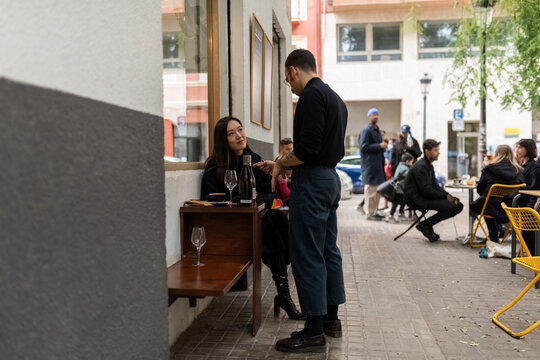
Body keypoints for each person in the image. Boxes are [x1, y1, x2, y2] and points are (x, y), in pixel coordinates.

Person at [255, 49, 346, 353]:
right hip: (330, 180)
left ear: (293, 70)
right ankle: (331, 320)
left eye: (286, 80)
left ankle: (312, 332)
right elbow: (321, 149)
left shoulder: (309, 96)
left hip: (313, 182)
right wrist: (280, 162)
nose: (290, 87)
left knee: (307, 253)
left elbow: (305, 150)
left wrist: (281, 161)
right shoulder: (335, 98)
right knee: (327, 250)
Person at [200, 116, 304, 320]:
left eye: (240, 129)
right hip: (232, 228)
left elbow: (269, 192)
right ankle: (284, 296)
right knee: (271, 224)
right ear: (223, 139)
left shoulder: (255, 159)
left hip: (257, 221)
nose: (239, 136)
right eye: (231, 133)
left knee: (274, 219)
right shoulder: (214, 166)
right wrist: (241, 201)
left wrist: (250, 202)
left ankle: (283, 295)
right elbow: (209, 199)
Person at [404, 139, 464, 242]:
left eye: (438, 150)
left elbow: (435, 186)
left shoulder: (428, 165)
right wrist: (445, 197)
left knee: (458, 205)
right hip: (418, 199)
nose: (438, 152)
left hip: (425, 197)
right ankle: (425, 225)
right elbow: (426, 190)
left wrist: (447, 195)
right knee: (454, 207)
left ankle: (426, 225)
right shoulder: (421, 166)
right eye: (435, 150)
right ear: (427, 152)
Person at [470, 145, 523, 241]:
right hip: (507, 206)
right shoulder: (519, 170)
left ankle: (493, 235)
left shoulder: (489, 169)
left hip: (491, 205)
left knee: (479, 205)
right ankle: (501, 222)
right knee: (487, 204)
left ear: (497, 154)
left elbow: (479, 190)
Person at [359, 108, 387, 221]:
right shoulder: (366, 130)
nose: (375, 116)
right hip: (370, 166)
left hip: (378, 166)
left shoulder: (377, 130)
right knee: (370, 191)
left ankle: (374, 212)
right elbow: (363, 147)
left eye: (376, 114)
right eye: (373, 114)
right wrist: (379, 146)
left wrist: (382, 148)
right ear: (369, 116)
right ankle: (369, 213)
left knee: (377, 191)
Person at [513, 138, 539, 254]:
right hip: (519, 203)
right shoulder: (521, 165)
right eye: (517, 147)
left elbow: (533, 189)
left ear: (527, 149)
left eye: (520, 147)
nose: (517, 150)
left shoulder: (533, 166)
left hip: (529, 204)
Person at [387, 153, 414, 223]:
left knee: (402, 202)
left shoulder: (401, 165)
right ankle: (391, 215)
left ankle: (400, 213)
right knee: (396, 202)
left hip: (401, 189)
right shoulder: (404, 168)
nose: (412, 163)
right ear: (407, 161)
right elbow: (409, 175)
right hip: (399, 189)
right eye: (412, 162)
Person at [276, 138, 293, 205]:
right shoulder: (279, 163)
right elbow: (284, 192)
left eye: (291, 149)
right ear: (281, 150)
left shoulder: (291, 160)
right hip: (282, 200)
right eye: (287, 149)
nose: (291, 152)